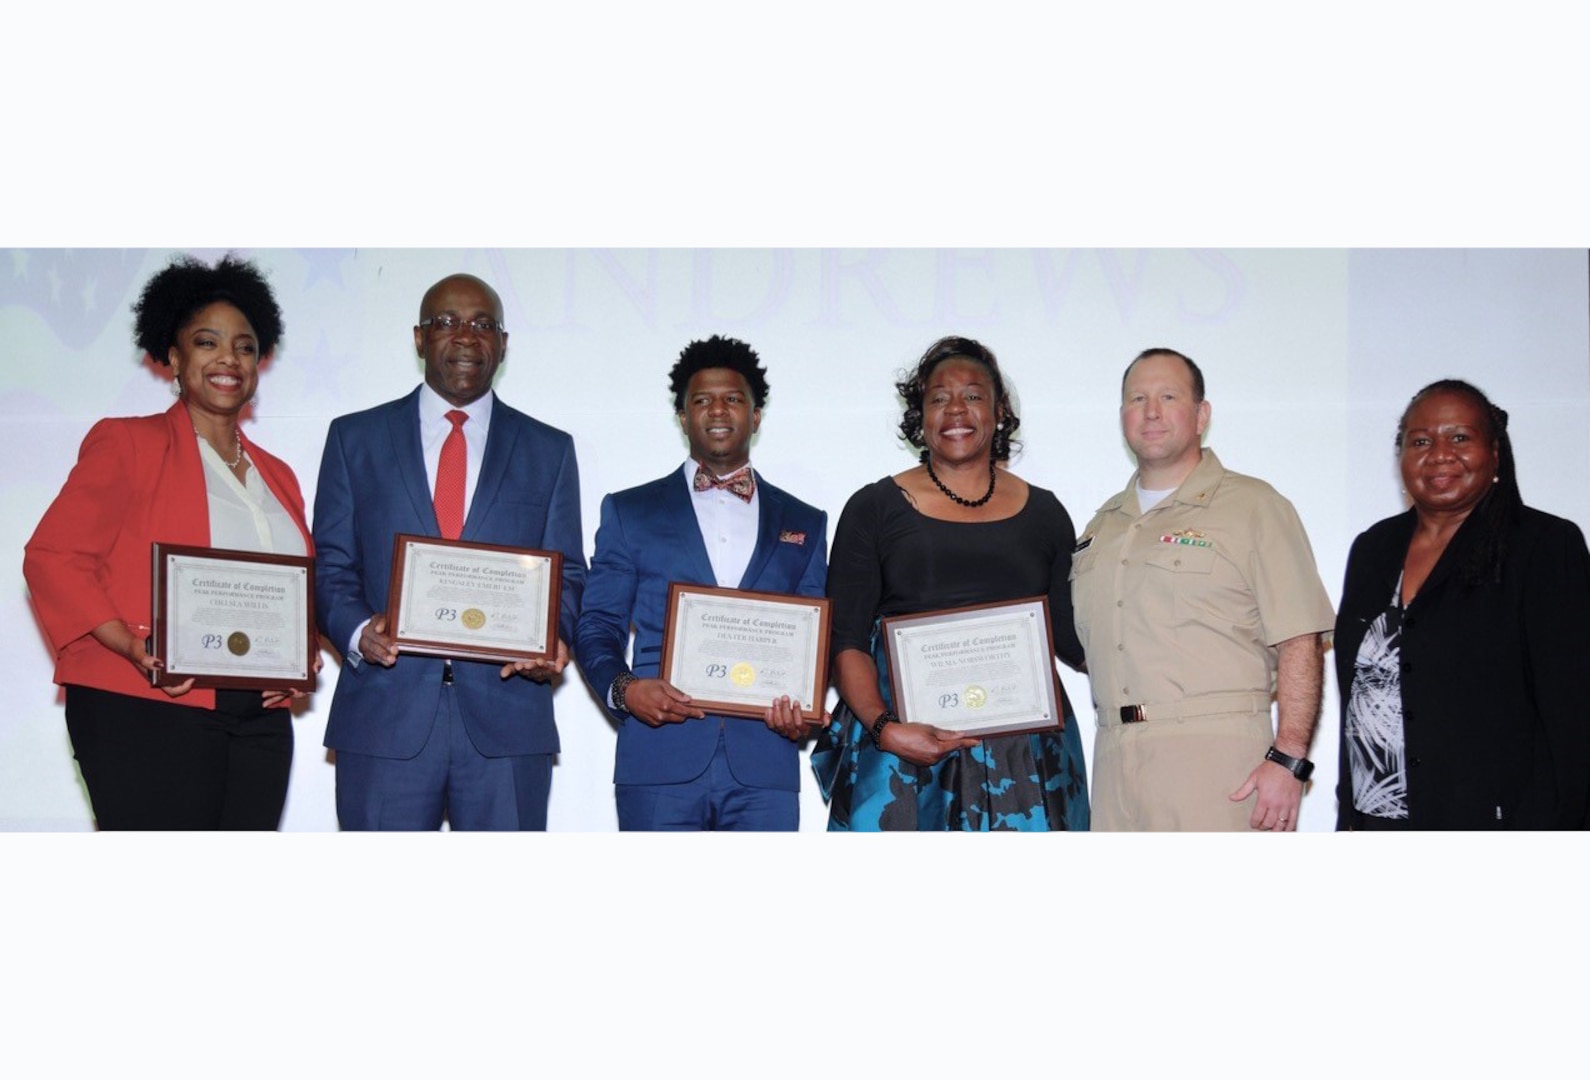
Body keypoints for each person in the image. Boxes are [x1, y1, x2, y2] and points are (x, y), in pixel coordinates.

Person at [23, 254, 312, 830]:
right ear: (174, 358)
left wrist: (294, 657)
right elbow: (54, 560)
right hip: (142, 706)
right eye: (207, 343)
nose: (229, 358)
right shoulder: (127, 444)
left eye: (245, 346)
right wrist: (133, 644)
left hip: (258, 719)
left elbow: (292, 593)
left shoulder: (278, 475)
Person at [312, 272, 586, 830]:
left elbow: (570, 572)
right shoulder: (354, 437)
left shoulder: (549, 449)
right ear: (418, 338)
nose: (466, 336)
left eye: (483, 324)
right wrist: (359, 630)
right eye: (446, 322)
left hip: (507, 722)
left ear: (503, 344)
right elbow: (332, 563)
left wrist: (551, 635)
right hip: (383, 716)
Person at [811, 335, 1089, 831]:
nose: (955, 409)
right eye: (938, 398)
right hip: (903, 749)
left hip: (1024, 755)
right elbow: (845, 640)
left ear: (999, 409)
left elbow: (1071, 638)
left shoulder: (1046, 512)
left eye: (973, 395)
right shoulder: (874, 508)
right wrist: (884, 729)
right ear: (920, 414)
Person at [1070, 347, 1334, 831]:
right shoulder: (1102, 527)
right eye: (1138, 398)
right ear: (1122, 416)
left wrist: (1290, 758)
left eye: (1168, 396)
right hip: (1113, 759)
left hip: (1218, 761)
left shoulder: (1254, 506)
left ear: (1201, 415)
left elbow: (1301, 639)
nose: (1151, 411)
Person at [574, 336, 828, 830]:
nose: (718, 409)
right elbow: (597, 625)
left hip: (765, 764)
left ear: (755, 416)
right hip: (658, 757)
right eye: (702, 399)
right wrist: (624, 690)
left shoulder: (806, 521)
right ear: (683, 416)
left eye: (734, 398)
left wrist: (809, 709)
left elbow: (814, 643)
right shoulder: (629, 511)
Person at [1335, 379, 1590, 829]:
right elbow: (1358, 696)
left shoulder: (1544, 545)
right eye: (1420, 441)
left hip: (1497, 823)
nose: (1439, 453)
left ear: (1494, 452)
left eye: (1459, 437)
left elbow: (1572, 709)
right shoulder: (1373, 548)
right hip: (1376, 821)